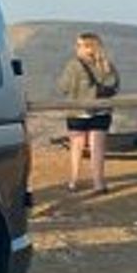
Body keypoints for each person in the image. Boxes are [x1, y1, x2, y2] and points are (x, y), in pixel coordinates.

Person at [57, 31, 120, 195]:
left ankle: (73, 182)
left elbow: (63, 87)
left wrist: (80, 89)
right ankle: (98, 183)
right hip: (101, 110)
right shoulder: (106, 65)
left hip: (77, 111)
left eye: (80, 45)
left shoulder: (73, 65)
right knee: (97, 148)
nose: (76, 48)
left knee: (76, 147)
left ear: (90, 47)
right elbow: (114, 86)